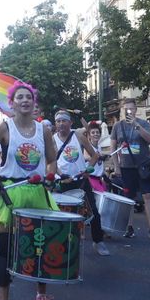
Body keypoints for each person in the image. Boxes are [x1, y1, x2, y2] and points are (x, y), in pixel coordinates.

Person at [0, 81, 64, 300]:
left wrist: (50, 175)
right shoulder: (4, 128)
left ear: (33, 102)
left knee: (41, 246)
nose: (25, 100)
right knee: (6, 250)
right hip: (9, 193)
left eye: (28, 97)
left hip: (37, 193)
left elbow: (51, 160)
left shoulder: (43, 130)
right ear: (12, 103)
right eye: (20, 97)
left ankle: (42, 297)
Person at [53, 109, 109, 256]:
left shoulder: (77, 136)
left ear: (70, 123)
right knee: (63, 215)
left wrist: (88, 169)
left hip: (81, 181)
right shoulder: (52, 139)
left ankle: (98, 241)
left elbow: (94, 155)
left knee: (93, 213)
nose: (61, 124)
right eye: (58, 121)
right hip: (63, 182)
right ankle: (64, 244)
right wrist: (60, 174)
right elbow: (51, 162)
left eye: (64, 120)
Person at [112, 97, 150, 240]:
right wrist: (116, 166)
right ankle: (129, 227)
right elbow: (113, 147)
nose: (129, 111)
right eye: (126, 109)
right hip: (126, 167)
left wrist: (136, 126)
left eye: (131, 108)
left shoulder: (143, 123)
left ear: (135, 110)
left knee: (148, 195)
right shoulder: (117, 126)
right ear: (123, 110)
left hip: (143, 165)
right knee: (129, 198)